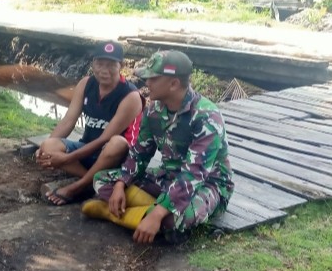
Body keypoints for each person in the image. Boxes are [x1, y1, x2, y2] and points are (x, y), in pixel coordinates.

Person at [81, 50, 234, 244]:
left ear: (174, 84)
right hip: (167, 177)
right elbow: (139, 154)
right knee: (102, 180)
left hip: (208, 184)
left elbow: (193, 175)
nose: (147, 83)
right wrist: (121, 184)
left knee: (176, 219)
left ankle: (119, 213)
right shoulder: (154, 110)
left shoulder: (206, 117)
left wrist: (159, 213)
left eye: (153, 79)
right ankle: (146, 212)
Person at [37, 41, 144, 205]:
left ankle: (78, 187)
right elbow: (68, 120)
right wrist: (43, 149)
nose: (104, 70)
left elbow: (105, 139)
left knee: (116, 142)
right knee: (49, 145)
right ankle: (92, 181)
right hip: (86, 149)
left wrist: (66, 160)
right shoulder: (85, 84)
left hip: (115, 158)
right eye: (100, 64)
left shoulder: (130, 96)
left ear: (121, 65)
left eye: (110, 65)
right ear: (93, 63)